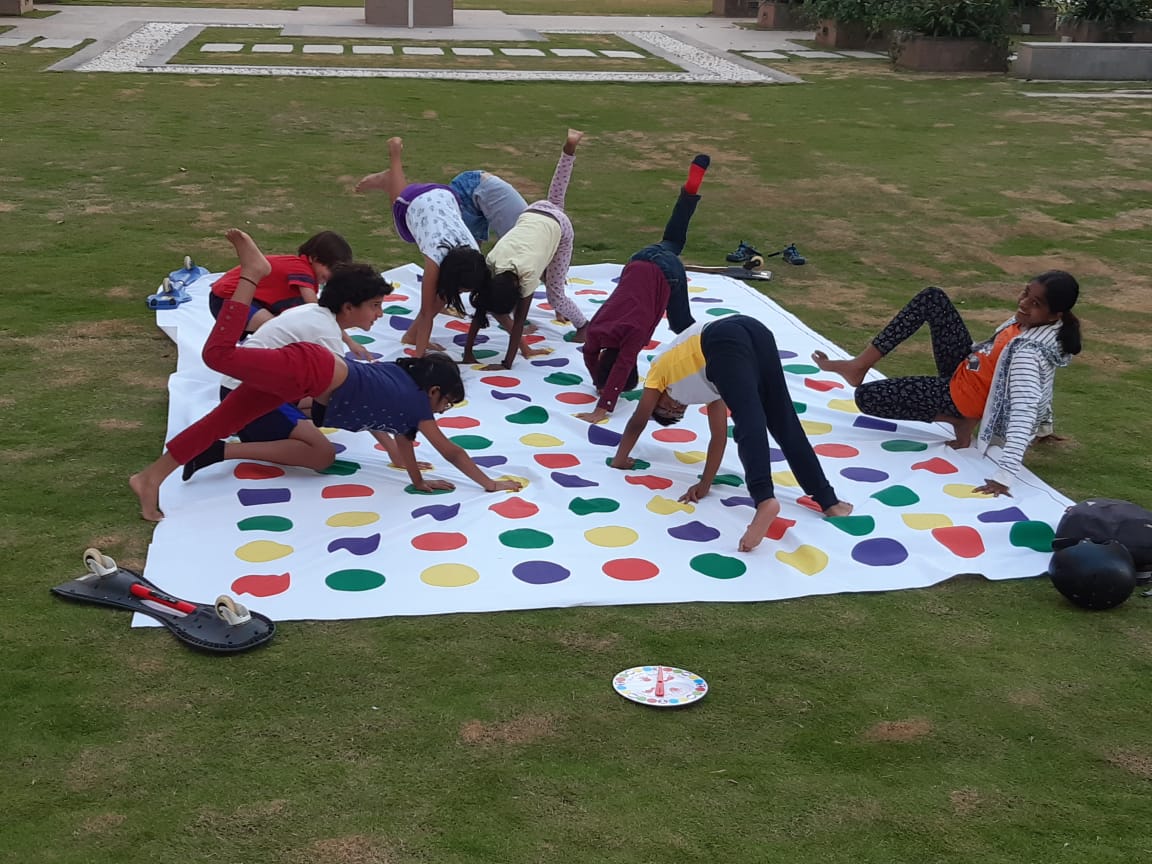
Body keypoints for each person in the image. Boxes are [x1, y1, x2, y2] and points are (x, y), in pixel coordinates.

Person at [129, 229, 522, 522]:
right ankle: (252, 273)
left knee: (220, 423)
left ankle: (149, 478)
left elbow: (396, 432)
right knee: (217, 355)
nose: (380, 313)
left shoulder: (401, 399)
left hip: (295, 382)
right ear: (432, 391)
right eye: (374, 305)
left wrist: (417, 480)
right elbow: (450, 451)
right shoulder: (401, 394)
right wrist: (489, 483)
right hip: (307, 370)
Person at [811, 271, 1082, 498]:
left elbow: (1025, 410)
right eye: (1025, 294)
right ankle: (859, 365)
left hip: (961, 397)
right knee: (932, 298)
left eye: (1035, 303)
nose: (1023, 303)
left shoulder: (1028, 355)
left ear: (1053, 315)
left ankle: (959, 417)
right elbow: (1000, 356)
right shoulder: (1030, 322)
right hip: (965, 366)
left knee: (867, 397)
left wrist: (1004, 476)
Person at [610, 315, 853, 552]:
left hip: (723, 336)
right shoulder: (709, 388)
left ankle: (764, 499)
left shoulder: (657, 375)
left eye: (665, 408)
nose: (674, 407)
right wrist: (705, 483)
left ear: (657, 400)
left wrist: (620, 459)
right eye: (675, 413)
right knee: (781, 420)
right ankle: (829, 501)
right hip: (751, 331)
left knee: (754, 419)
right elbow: (718, 437)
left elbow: (638, 420)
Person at [213, 261, 428, 475]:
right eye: (375, 305)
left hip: (242, 389)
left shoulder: (315, 312)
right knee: (322, 454)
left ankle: (255, 432)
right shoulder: (325, 333)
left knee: (325, 406)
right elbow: (357, 398)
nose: (380, 313)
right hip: (246, 396)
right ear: (348, 307)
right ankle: (220, 451)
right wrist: (393, 450)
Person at [576, 154, 711, 425]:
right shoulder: (596, 332)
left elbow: (622, 365)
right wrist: (598, 381)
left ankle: (713, 353)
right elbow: (590, 354)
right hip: (639, 258)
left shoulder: (632, 337)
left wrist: (603, 407)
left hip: (667, 272)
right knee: (672, 240)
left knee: (683, 327)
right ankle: (689, 191)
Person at [461, 129, 587, 371]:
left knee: (555, 294)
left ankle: (583, 325)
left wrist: (506, 364)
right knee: (556, 199)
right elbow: (482, 306)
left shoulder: (524, 276)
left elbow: (518, 325)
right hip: (533, 213)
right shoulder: (493, 261)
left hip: (557, 227)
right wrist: (468, 354)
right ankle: (568, 150)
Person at [355, 137, 489, 357]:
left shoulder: (474, 257)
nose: (462, 294)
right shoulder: (435, 260)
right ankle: (394, 161)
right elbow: (426, 312)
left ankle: (411, 335)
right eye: (462, 290)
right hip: (415, 201)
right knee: (400, 216)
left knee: (442, 293)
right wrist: (419, 357)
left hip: (446, 197)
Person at [208, 230, 353, 335]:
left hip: (241, 299)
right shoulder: (302, 269)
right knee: (278, 329)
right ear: (313, 258)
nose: (332, 276)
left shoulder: (305, 276)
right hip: (227, 298)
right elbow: (315, 311)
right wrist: (342, 336)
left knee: (284, 326)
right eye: (330, 269)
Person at [448, 170, 528, 246]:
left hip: (477, 181)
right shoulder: (521, 238)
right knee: (465, 244)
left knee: (469, 244)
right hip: (469, 186)